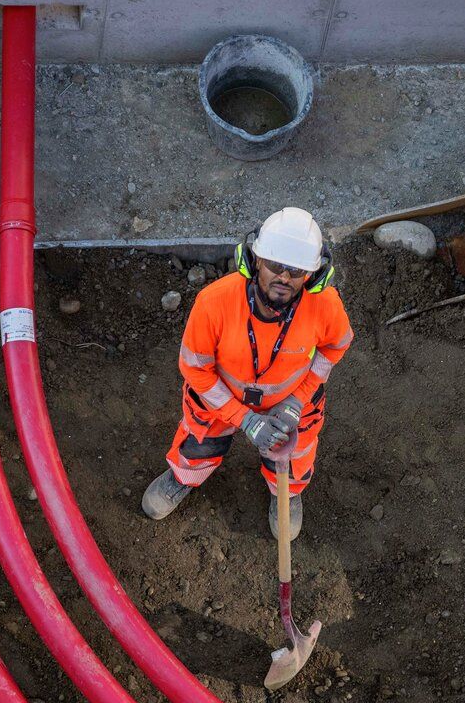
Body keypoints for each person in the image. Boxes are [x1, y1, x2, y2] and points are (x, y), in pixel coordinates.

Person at [142, 207, 353, 536]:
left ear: (312, 275)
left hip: (290, 400)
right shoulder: (214, 303)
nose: (284, 277)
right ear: (254, 260)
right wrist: (245, 419)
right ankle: (183, 477)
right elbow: (196, 370)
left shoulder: (326, 305)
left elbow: (335, 347)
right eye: (275, 265)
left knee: (295, 453)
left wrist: (297, 400)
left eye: (296, 271)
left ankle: (287, 493)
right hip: (221, 397)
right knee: (200, 439)